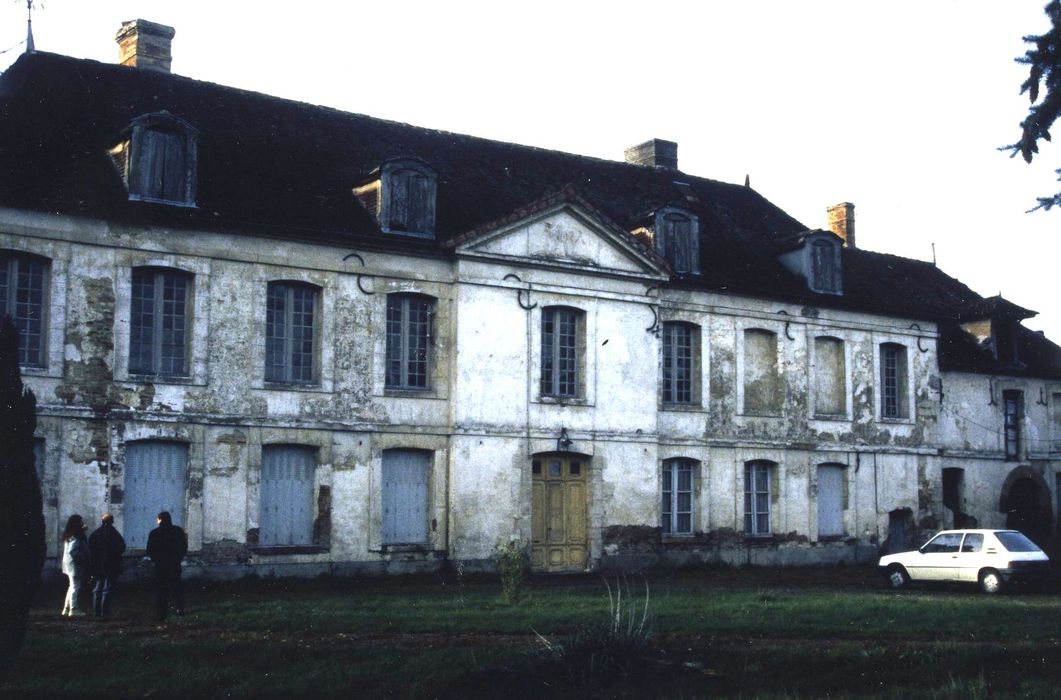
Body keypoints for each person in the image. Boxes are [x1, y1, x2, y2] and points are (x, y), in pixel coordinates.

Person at [146, 511, 187, 621]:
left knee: (161, 588)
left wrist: (156, 560)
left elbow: (150, 550)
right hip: (174, 563)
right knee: (176, 587)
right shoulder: (178, 531)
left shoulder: (154, 533)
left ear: (160, 520)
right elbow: (184, 547)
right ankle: (179, 608)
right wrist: (178, 558)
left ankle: (161, 611)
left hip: (161, 565)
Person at [88, 513, 126, 617]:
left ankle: (97, 611)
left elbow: (90, 548)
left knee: (98, 587)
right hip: (112, 564)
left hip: (98, 564)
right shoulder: (114, 534)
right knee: (107, 588)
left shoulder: (95, 534)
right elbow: (122, 546)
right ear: (112, 521)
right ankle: (105, 611)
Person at [60, 514, 90, 617]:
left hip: (68, 564)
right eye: (81, 522)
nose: (83, 523)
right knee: (75, 586)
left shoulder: (69, 535)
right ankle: (73, 609)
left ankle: (66, 608)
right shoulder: (76, 536)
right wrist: (83, 558)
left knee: (71, 586)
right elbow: (73, 551)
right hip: (74, 565)